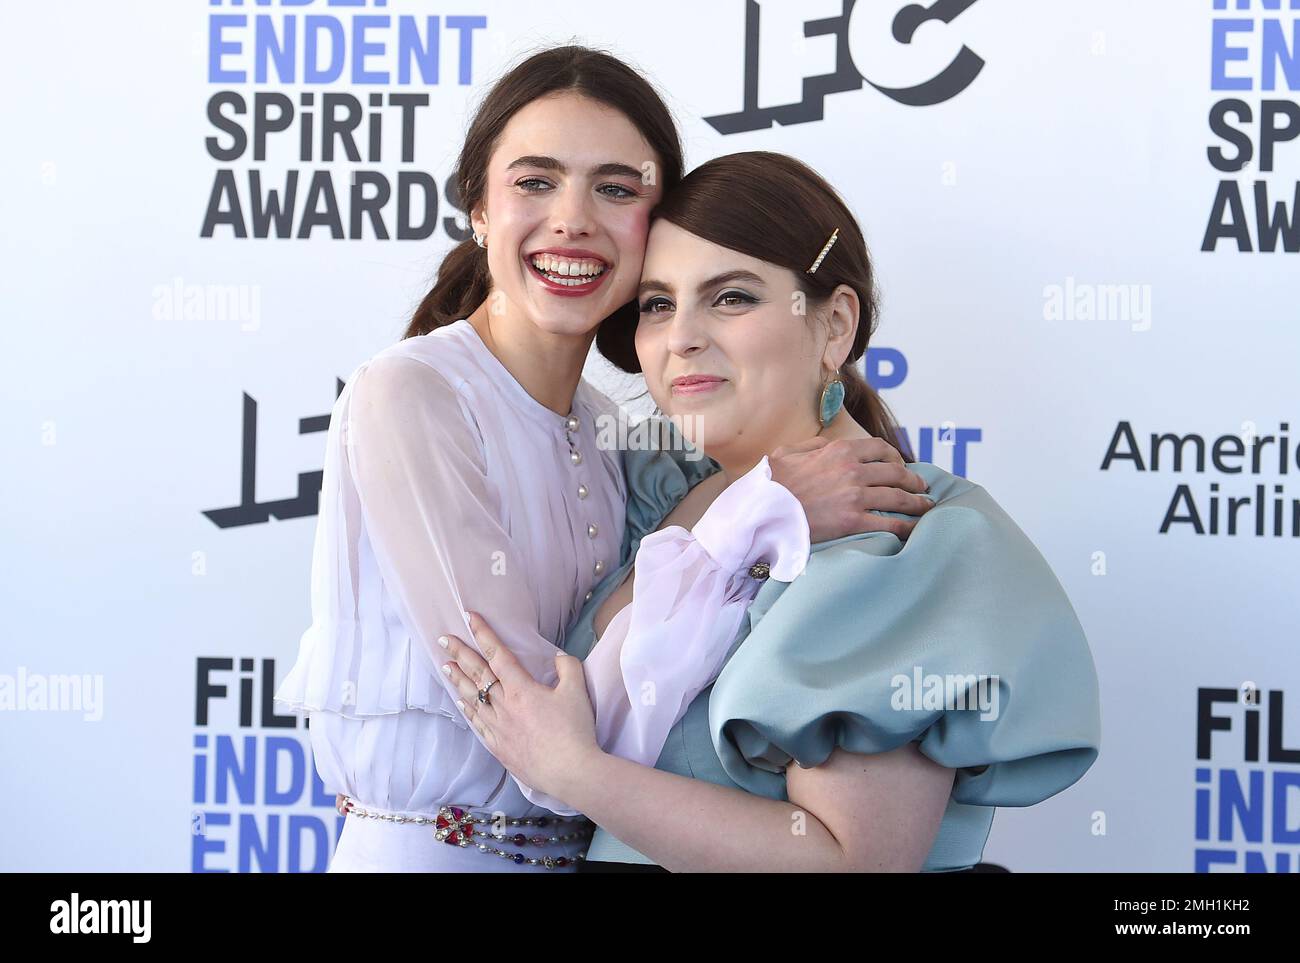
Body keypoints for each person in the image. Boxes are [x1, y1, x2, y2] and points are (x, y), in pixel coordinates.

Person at [273, 50, 934, 873]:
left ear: (657, 227)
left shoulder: (608, 429)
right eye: (535, 182)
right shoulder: (411, 394)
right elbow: (528, 728)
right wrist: (752, 511)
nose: (574, 219)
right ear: (478, 205)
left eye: (616, 189)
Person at [440, 151, 1103, 872]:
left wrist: (575, 772)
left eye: (731, 297)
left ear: (835, 326)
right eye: (658, 303)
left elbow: (852, 862)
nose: (682, 336)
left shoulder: (897, 538)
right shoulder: (656, 492)